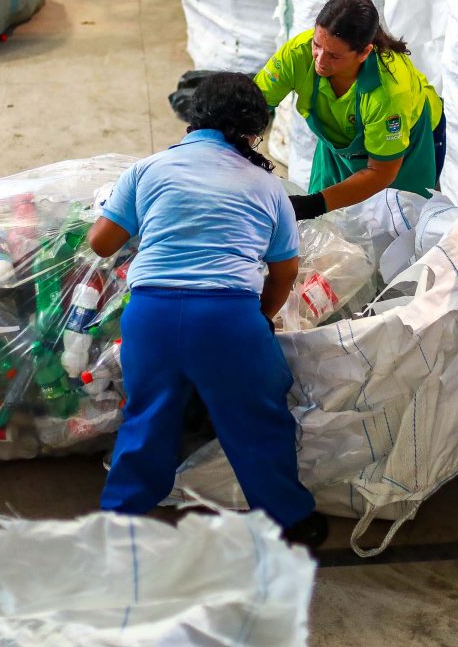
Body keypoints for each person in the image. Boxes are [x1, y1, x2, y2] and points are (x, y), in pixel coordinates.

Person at [89, 72, 327, 547]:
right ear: (250, 132)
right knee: (255, 416)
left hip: (150, 314)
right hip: (226, 316)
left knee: (147, 416)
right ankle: (288, 519)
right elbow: (283, 274)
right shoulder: (267, 187)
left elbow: (101, 243)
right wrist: (256, 319)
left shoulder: (148, 169)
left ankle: (120, 517)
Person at [256, 0, 445, 220]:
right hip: (341, 148)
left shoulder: (390, 90)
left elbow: (380, 172)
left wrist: (314, 204)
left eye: (334, 56)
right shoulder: (298, 54)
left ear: (364, 52)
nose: (320, 61)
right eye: (317, 45)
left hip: (407, 150)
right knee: (327, 226)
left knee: (396, 228)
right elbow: (252, 107)